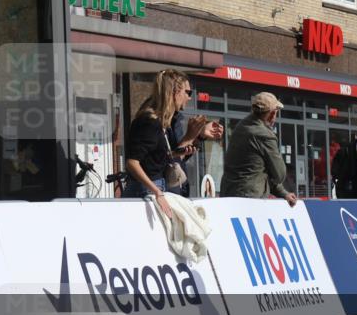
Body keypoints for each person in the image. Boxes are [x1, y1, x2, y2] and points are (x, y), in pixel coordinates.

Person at [124, 70, 205, 219]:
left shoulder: (161, 122)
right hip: (146, 191)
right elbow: (132, 162)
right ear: (175, 92)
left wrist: (176, 153)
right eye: (187, 92)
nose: (189, 97)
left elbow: (151, 158)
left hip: (153, 188)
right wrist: (157, 192)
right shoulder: (150, 121)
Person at [219, 92, 297, 206]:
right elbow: (279, 175)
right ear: (272, 114)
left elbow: (257, 170)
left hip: (229, 195)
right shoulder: (265, 135)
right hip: (249, 199)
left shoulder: (241, 126)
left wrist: (284, 193)